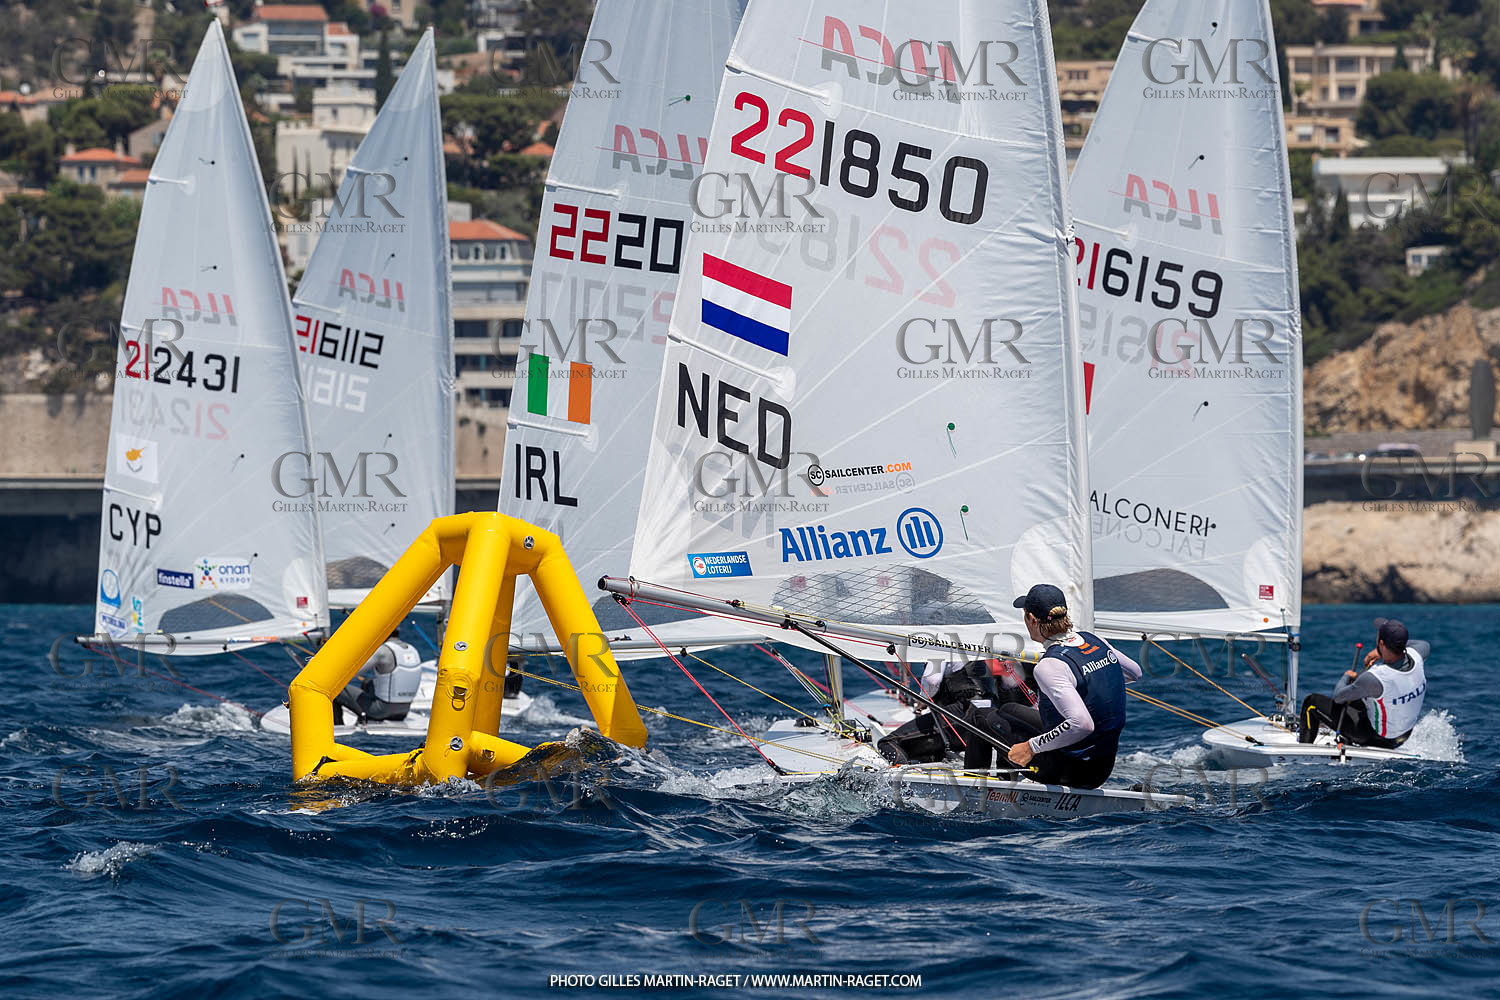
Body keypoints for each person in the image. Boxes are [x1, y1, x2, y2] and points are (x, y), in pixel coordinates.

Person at [962, 584, 1141, 789]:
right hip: (1102, 766)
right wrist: (1091, 684)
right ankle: (1005, 780)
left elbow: (1082, 724)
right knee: (1008, 710)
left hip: (1070, 772)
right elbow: (1135, 672)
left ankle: (973, 792)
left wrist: (1030, 747)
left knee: (979, 716)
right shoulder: (1094, 640)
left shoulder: (1049, 666)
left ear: (1031, 619)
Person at [1298, 618, 1427, 748]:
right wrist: (1380, 651)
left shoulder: (1376, 677)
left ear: (1381, 643)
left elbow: (1338, 697)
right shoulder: (1418, 655)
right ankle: (1346, 738)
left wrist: (1346, 677)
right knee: (1359, 699)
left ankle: (1302, 750)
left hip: (1380, 739)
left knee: (1312, 702)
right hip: (1404, 735)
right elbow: (1423, 644)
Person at [335, 627, 423, 723]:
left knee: (335, 690)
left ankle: (338, 726)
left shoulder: (382, 651)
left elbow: (352, 672)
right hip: (403, 711)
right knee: (368, 682)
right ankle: (363, 719)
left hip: (381, 711)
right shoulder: (412, 650)